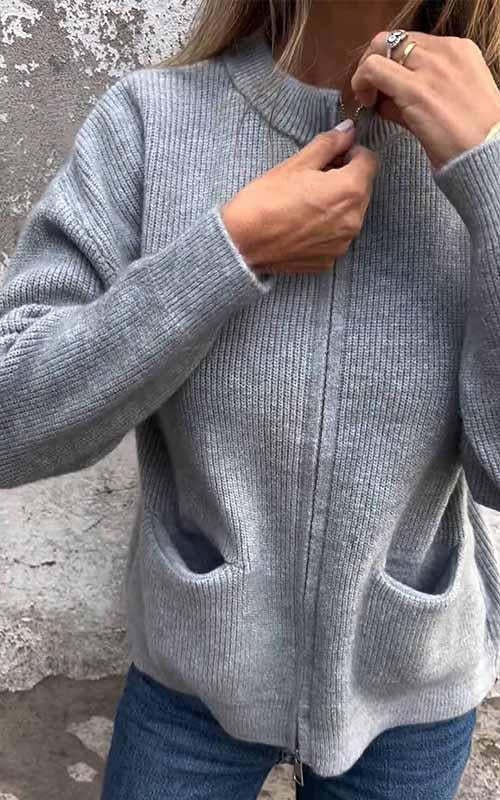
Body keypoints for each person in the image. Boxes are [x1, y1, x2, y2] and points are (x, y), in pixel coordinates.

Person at [1, 0, 500, 797]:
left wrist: (489, 178)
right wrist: (228, 252)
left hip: (413, 691)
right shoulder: (151, 119)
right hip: (189, 695)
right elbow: (13, 418)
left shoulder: (491, 143)